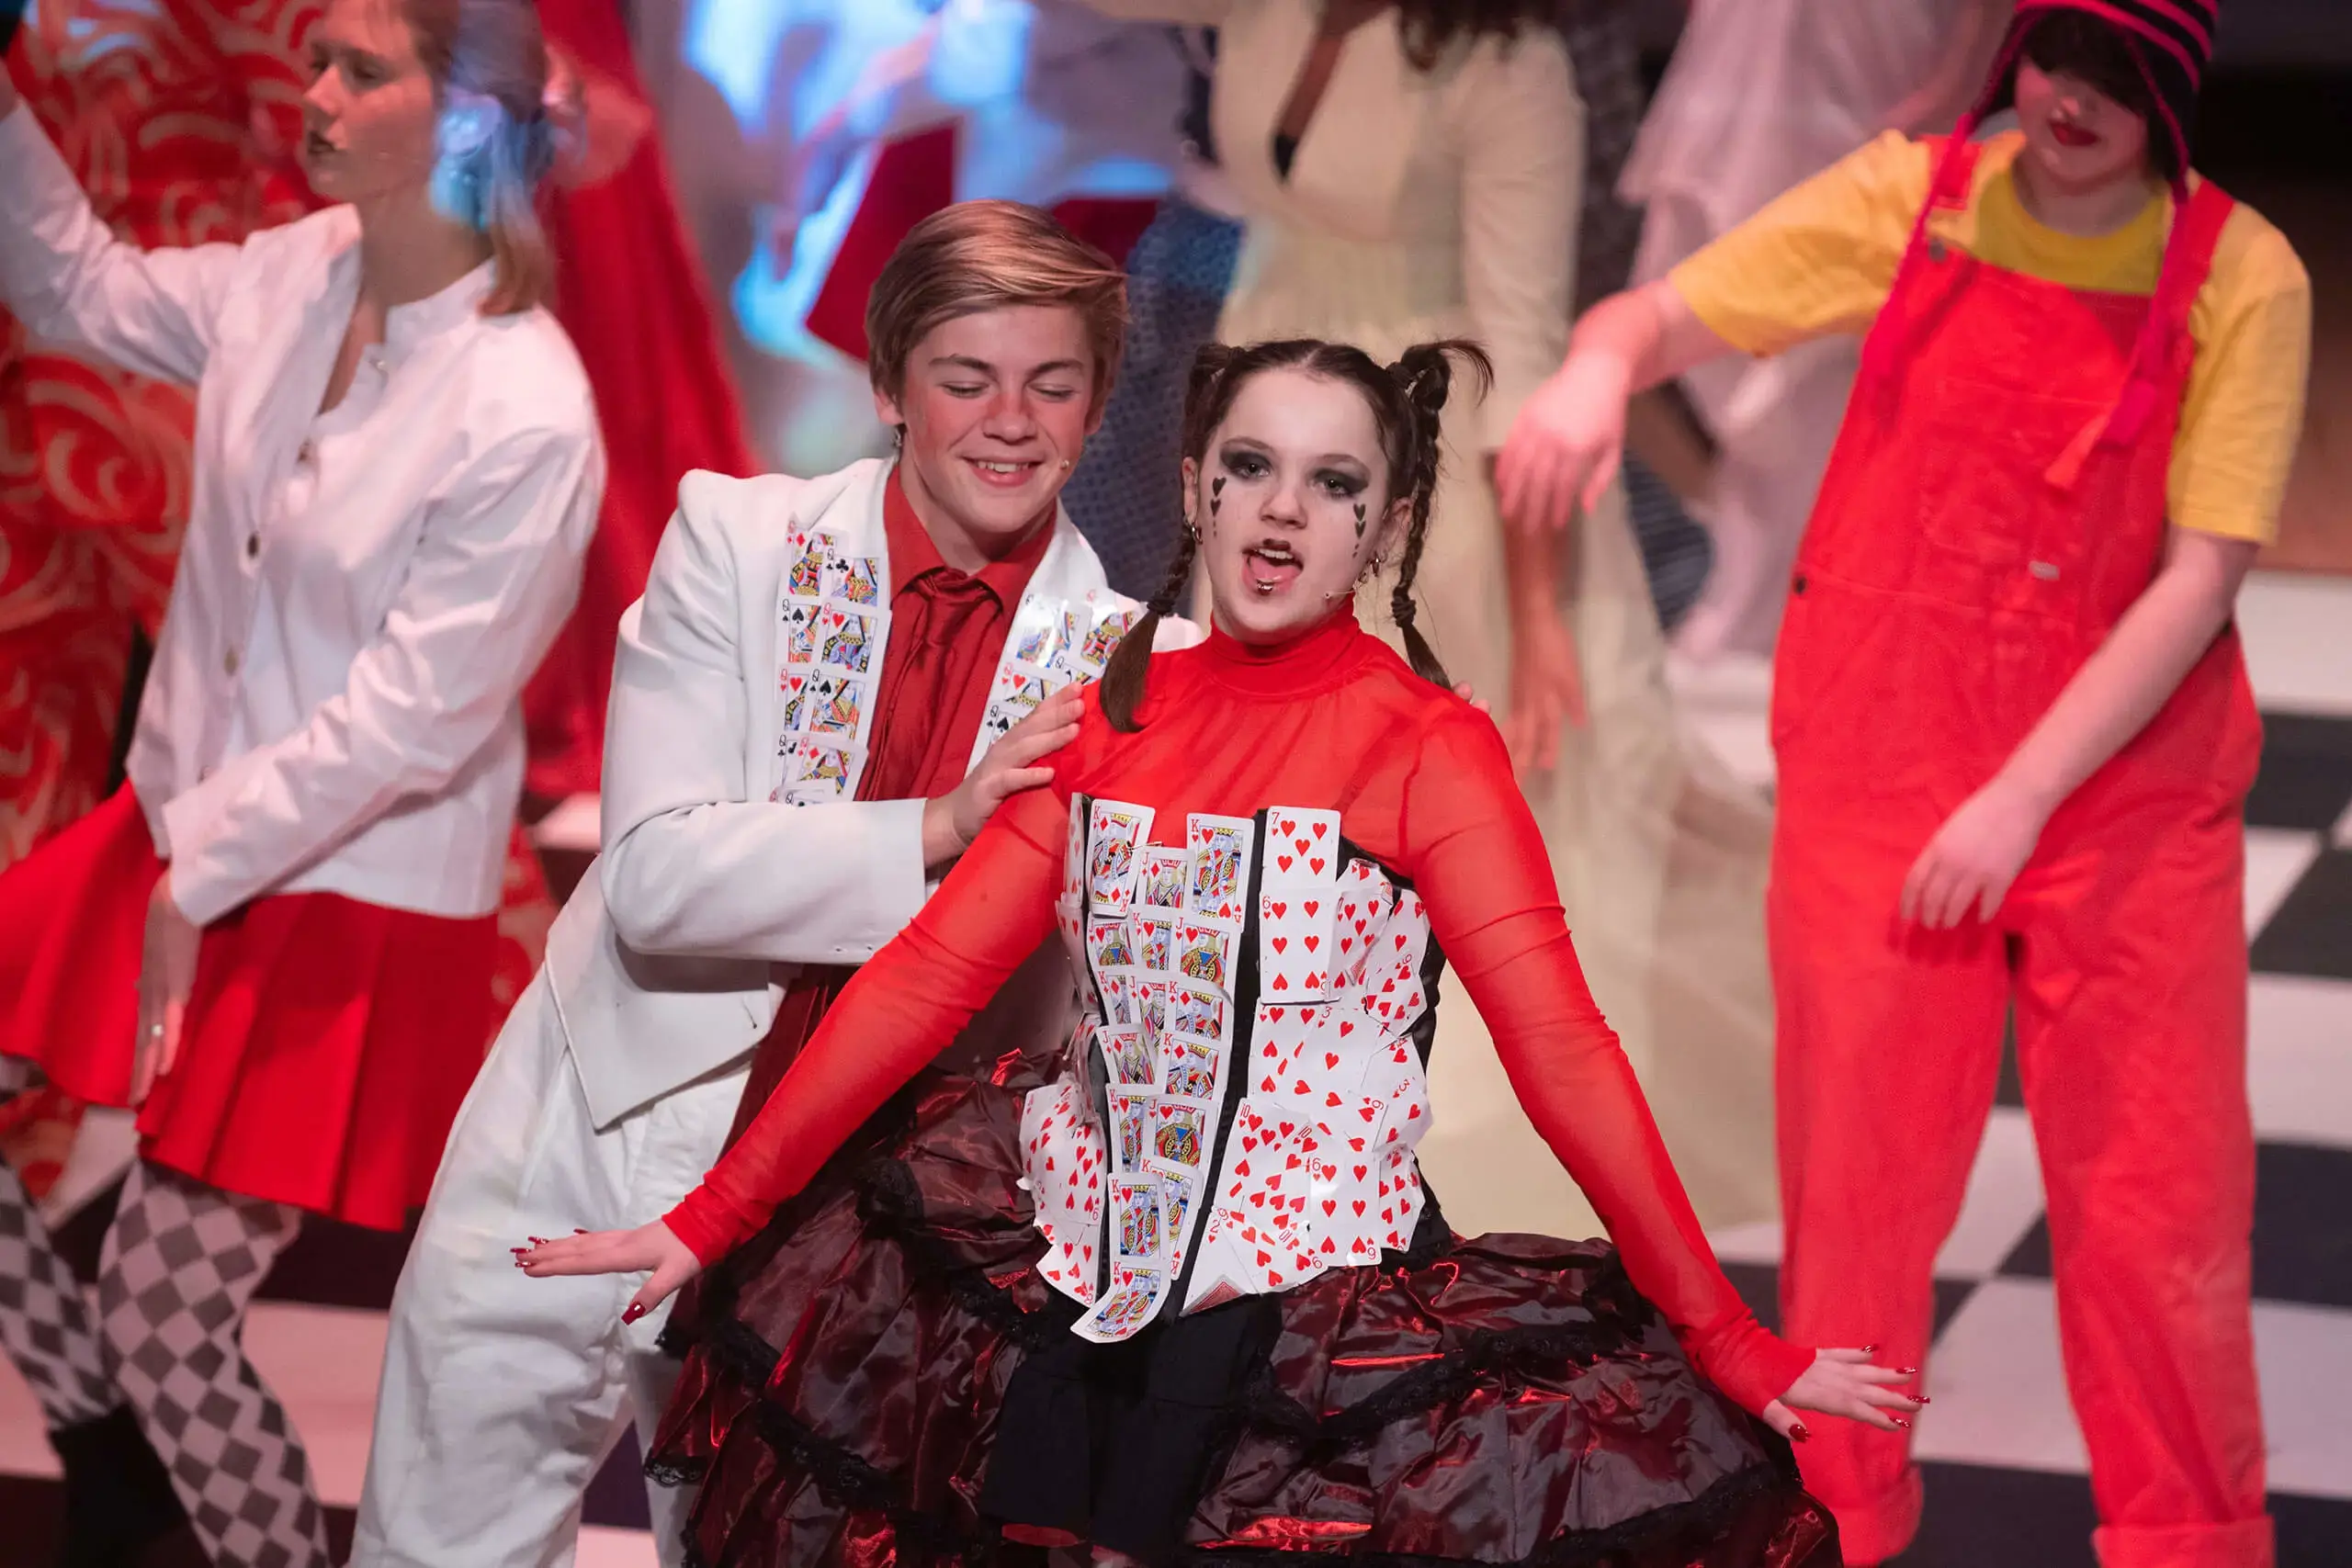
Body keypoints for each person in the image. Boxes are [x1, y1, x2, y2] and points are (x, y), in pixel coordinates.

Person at [523, 335, 1920, 1567]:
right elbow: (929, 974)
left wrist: (1729, 1333)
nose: (1282, 512)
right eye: (1251, 465)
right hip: (1070, 1268)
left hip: (1298, 1305)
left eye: (1334, 484)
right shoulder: (1110, 714)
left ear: (1386, 526)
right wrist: (714, 1213)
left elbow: (1563, 1051)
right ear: (1194, 480)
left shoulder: (1425, 747)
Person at [1499, 3, 2310, 1562]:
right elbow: (1652, 318)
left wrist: (2018, 797)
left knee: (2159, 1217)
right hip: (1881, 771)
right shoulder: (1912, 199)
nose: (2073, 101)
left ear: (2179, 93)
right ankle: (1842, 1526)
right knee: (1856, 1219)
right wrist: (1594, 374)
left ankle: (2189, 1539)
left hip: (2124, 802)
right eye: (2056, 56)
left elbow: (2199, 579)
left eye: (2122, 77)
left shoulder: (2242, 273)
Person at [353, 200, 1199, 1568]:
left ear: (1099, 408)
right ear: (886, 386)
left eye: (1052, 383)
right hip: (590, 1135)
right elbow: (656, 880)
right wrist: (944, 821)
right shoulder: (736, 547)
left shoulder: (1142, 667)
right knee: (437, 1546)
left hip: (858, 1220)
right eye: (965, 376)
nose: (1009, 419)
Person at [0, 0, 604, 1559]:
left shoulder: (528, 407)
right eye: (317, 58)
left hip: (342, 892)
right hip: (180, 831)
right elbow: (78, 288)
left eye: (358, 70)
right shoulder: (288, 272)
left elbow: (410, 720)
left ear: (464, 121)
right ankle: (94, 1430)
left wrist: (194, 876)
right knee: (140, 1341)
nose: (313, 91)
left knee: (167, 1316)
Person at [1080, 0, 1783, 1244]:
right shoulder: (1263, 10)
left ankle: (1425, 1140)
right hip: (1269, 435)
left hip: (1436, 480)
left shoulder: (1508, 75)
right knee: (1256, 788)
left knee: (1490, 837)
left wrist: (1532, 609)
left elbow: (1517, 344)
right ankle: (1252, 1098)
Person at [1619, 0, 2012, 666]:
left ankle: (1802, 607)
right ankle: (1765, 595)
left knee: (1826, 351)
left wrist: (1953, 92)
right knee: (1731, 316)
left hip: (1867, 68)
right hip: (1752, 56)